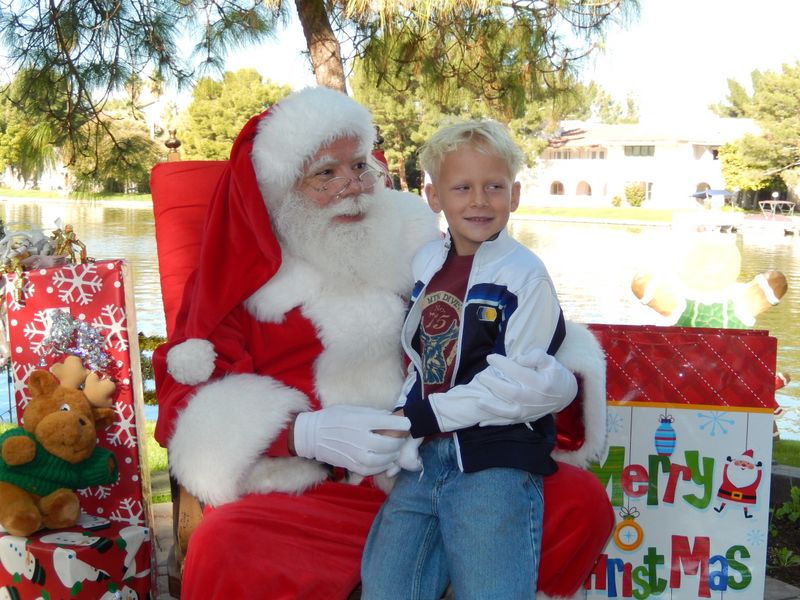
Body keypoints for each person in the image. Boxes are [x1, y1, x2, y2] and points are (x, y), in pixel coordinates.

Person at [153, 86, 613, 599]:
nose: (351, 186)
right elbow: (185, 396)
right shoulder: (241, 278)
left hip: (444, 456)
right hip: (317, 495)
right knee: (228, 544)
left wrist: (552, 371)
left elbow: (503, 313)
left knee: (580, 502)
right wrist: (303, 434)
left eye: (359, 166)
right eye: (325, 173)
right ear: (282, 188)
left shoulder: (414, 239)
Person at [361, 119, 579, 599]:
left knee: (491, 590)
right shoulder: (426, 264)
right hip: (425, 455)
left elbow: (520, 386)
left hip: (495, 461)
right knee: (388, 585)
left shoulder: (525, 276)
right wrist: (402, 424)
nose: (479, 200)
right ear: (435, 196)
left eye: (493, 186)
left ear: (514, 194)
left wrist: (421, 416)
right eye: (462, 187)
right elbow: (424, 362)